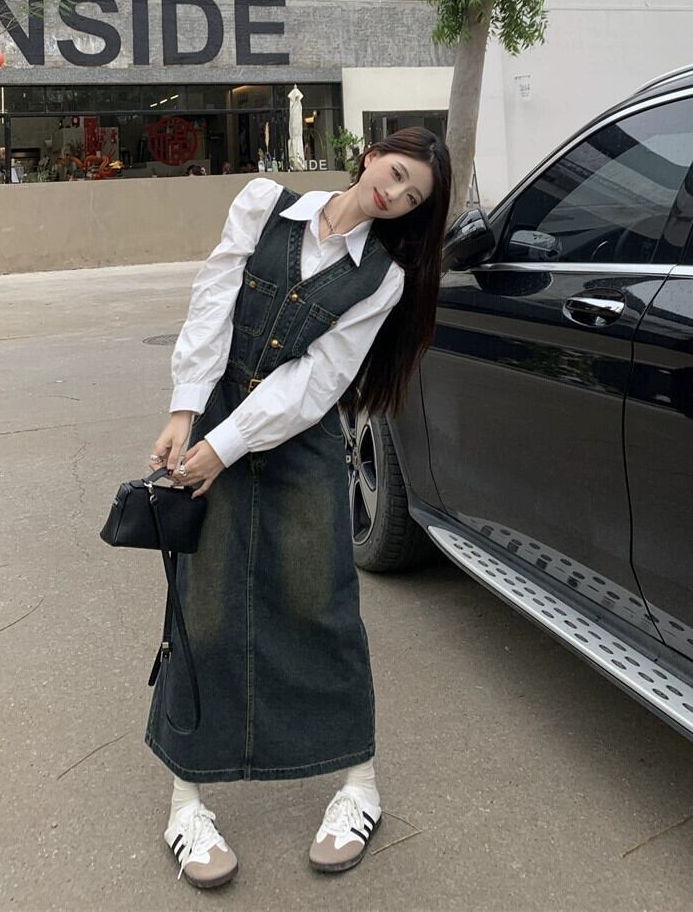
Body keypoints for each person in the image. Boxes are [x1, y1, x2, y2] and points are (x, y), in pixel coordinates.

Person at [146, 127, 451, 889]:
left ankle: (358, 787)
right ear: (372, 154)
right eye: (397, 172)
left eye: (412, 196)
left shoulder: (383, 278)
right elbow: (213, 302)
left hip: (297, 438)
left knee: (321, 602)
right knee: (202, 605)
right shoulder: (263, 203)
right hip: (214, 418)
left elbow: (318, 380)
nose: (395, 193)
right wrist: (187, 412)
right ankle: (187, 800)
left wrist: (225, 446)